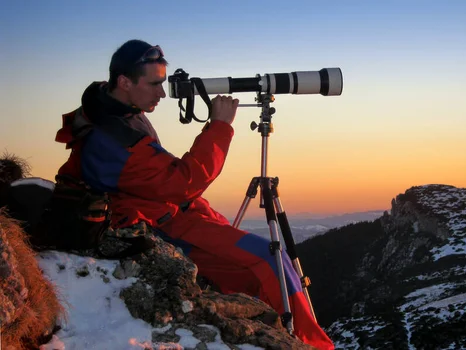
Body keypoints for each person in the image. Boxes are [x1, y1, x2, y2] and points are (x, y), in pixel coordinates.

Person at [54, 39, 334, 350]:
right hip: (153, 223)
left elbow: (160, 177)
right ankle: (313, 344)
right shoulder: (112, 138)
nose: (162, 93)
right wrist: (219, 126)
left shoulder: (113, 109)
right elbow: (181, 183)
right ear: (124, 82)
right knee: (269, 258)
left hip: (162, 212)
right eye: (155, 83)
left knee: (252, 263)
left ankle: (277, 328)